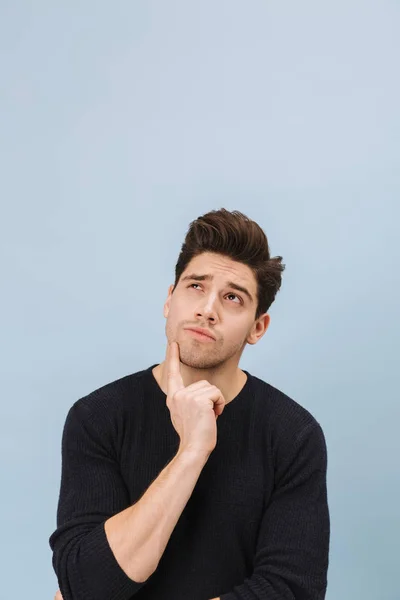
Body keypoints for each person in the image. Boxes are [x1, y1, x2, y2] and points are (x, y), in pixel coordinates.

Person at [49, 208, 330, 600]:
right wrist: (191, 453)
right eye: (196, 286)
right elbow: (86, 584)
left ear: (257, 328)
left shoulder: (292, 435)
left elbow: (291, 590)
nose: (207, 309)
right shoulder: (98, 417)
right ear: (170, 299)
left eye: (232, 297)